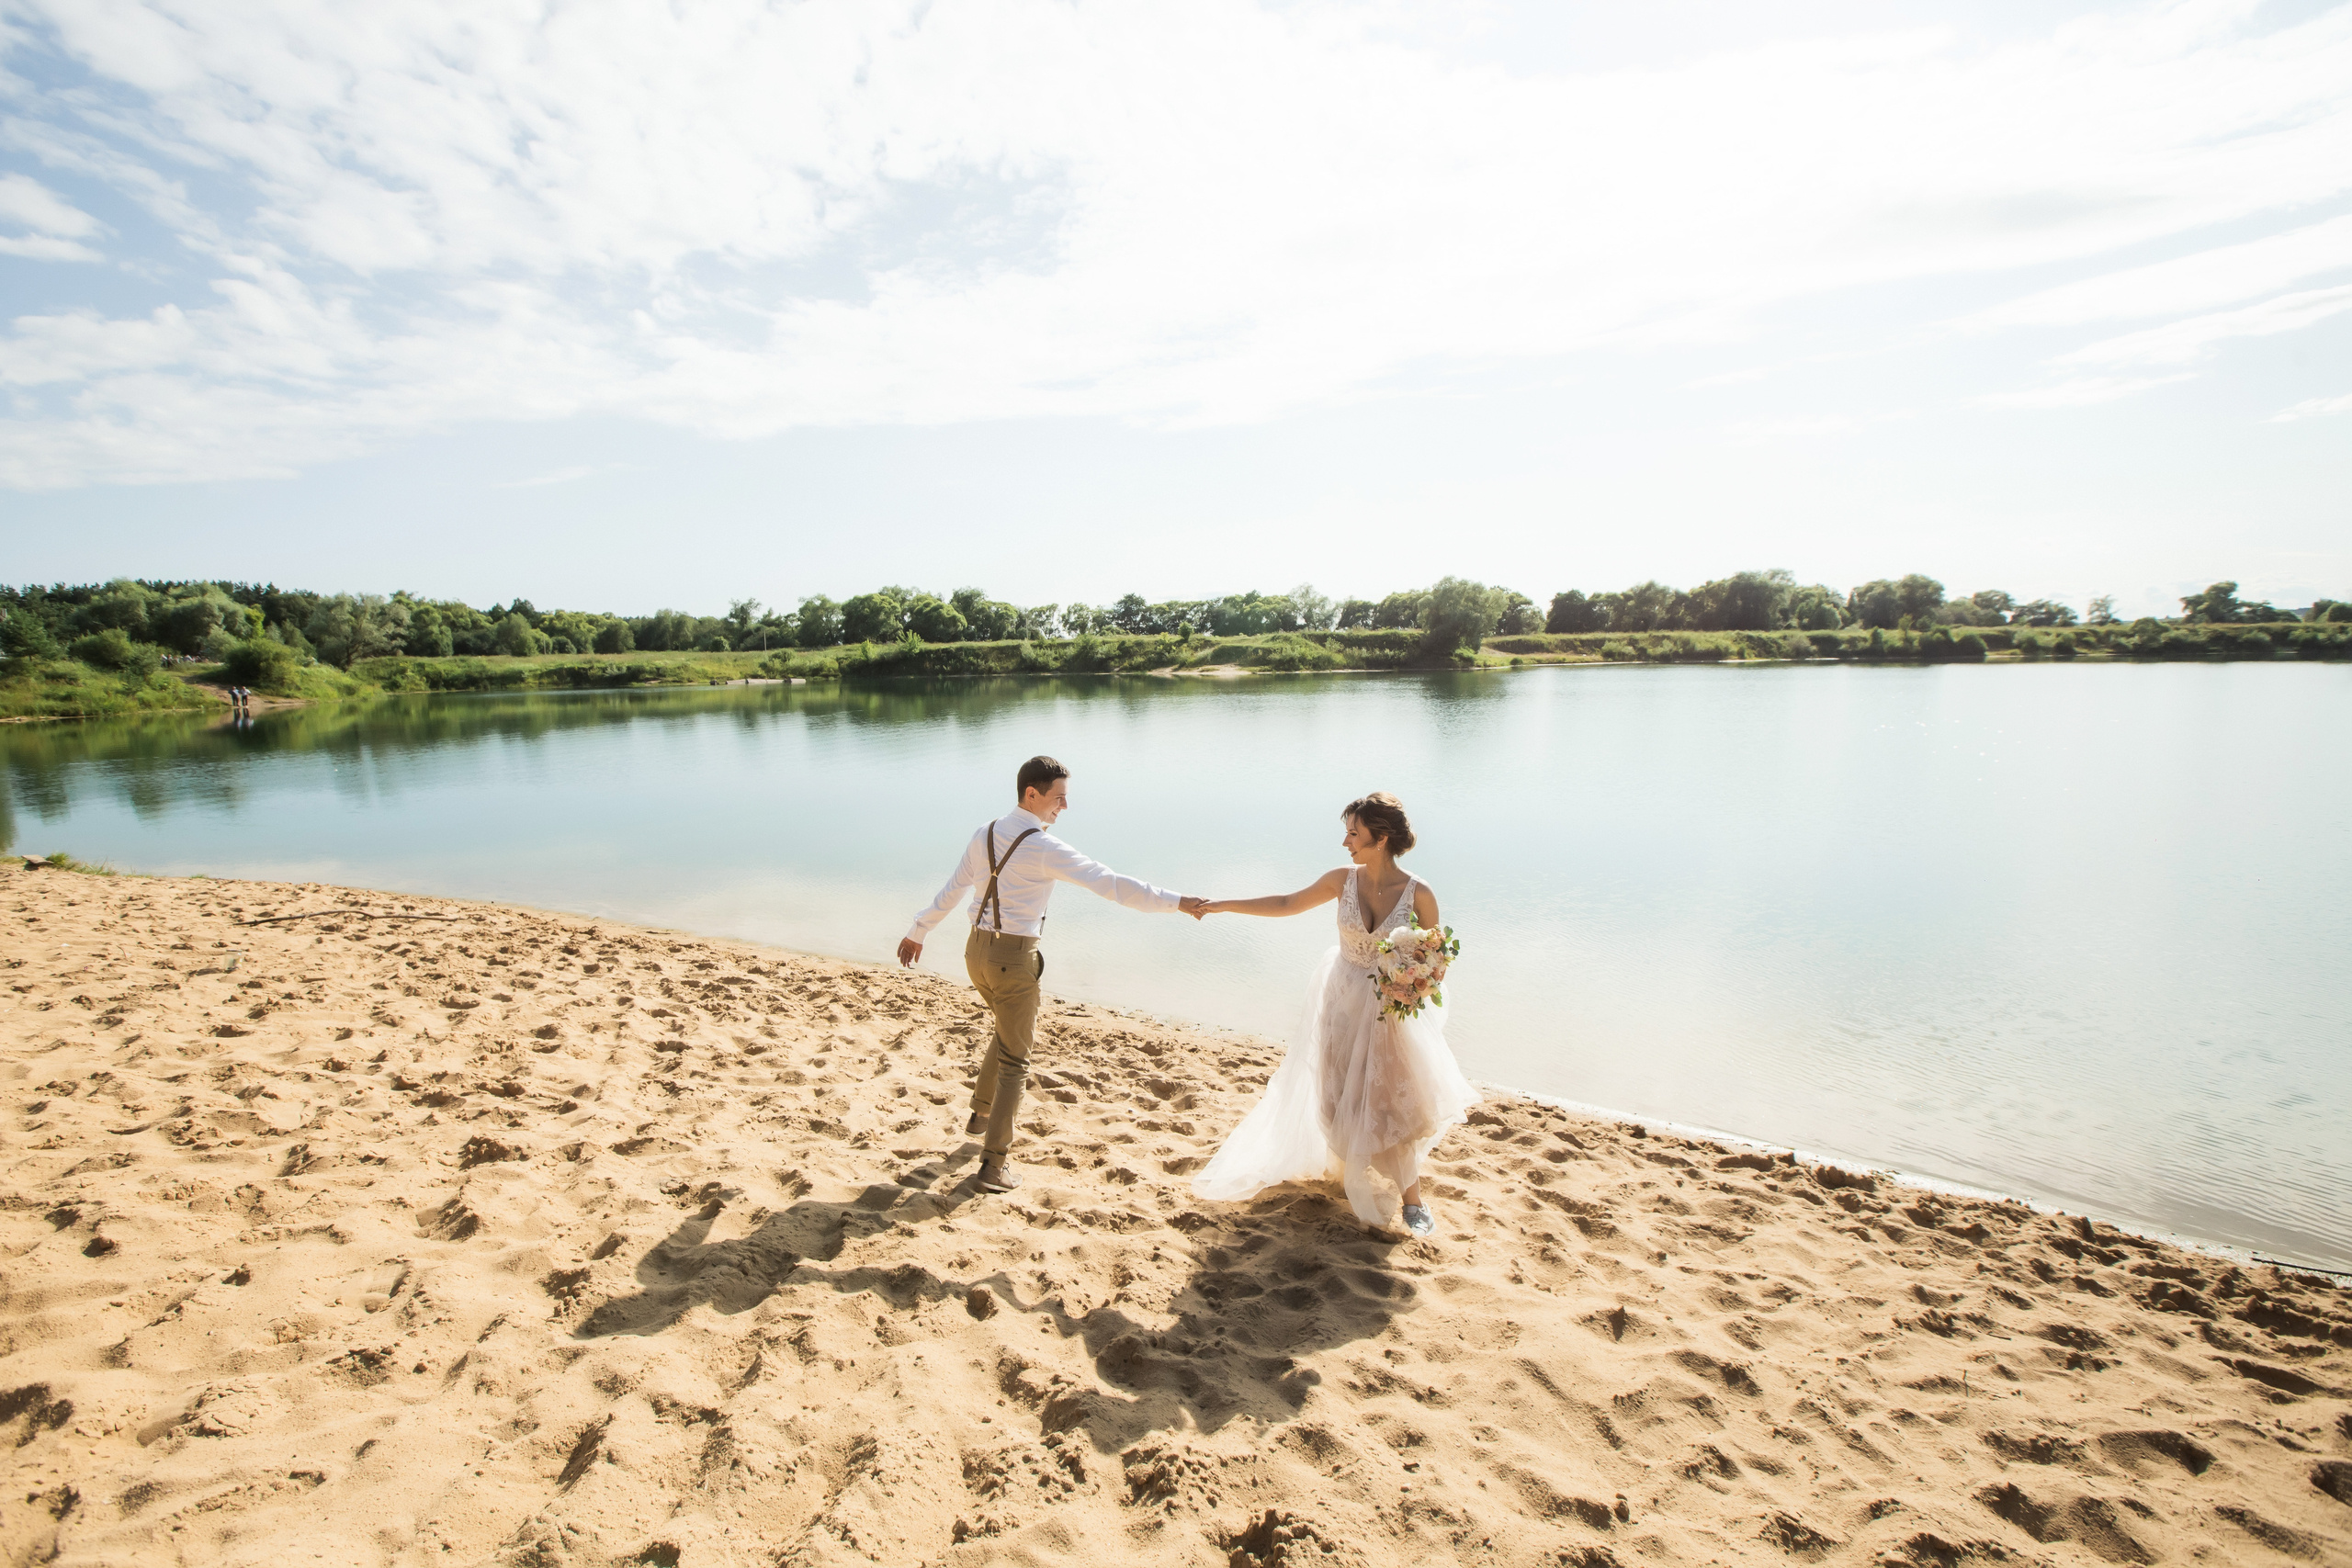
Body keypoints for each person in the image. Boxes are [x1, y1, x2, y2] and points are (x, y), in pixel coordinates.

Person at [899, 755, 1207, 1194]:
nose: (1063, 808)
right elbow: (1112, 884)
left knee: (1007, 1031)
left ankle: (981, 1112)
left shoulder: (984, 832)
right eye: (1059, 798)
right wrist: (1178, 901)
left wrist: (918, 931)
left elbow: (953, 889)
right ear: (1032, 794)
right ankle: (992, 1165)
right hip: (1014, 959)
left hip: (975, 955)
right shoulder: (1044, 848)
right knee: (1017, 1060)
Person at [1190, 792, 1476, 1237]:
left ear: (1380, 839)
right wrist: (1225, 904)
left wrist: (1410, 982)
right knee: (1338, 1090)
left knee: (1387, 1098)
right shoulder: (1341, 880)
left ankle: (1412, 1199)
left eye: (1354, 834)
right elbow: (1287, 903)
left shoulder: (1420, 894)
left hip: (1389, 1010)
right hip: (1341, 997)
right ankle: (1351, 1169)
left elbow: (1435, 961)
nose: (1346, 842)